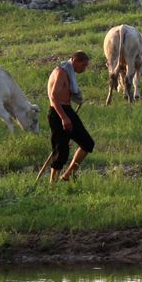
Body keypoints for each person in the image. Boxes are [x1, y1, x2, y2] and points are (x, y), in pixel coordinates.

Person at [47, 51, 94, 183]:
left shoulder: (69, 72)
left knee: (87, 143)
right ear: (75, 61)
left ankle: (66, 176)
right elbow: (54, 96)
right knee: (61, 149)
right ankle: (53, 183)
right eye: (83, 66)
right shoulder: (61, 72)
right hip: (57, 112)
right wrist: (64, 118)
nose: (84, 69)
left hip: (67, 110)